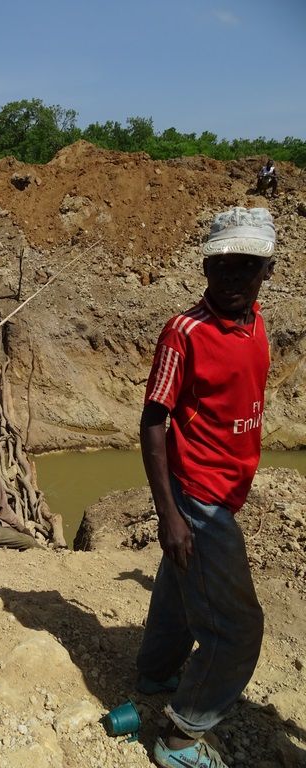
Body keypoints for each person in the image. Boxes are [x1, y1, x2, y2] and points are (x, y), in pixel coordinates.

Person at [136, 207, 276, 768]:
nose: (236, 277)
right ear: (206, 266)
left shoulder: (258, 323)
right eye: (225, 265)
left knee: (178, 581)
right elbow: (153, 421)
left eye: (249, 266)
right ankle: (182, 737)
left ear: (267, 270)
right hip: (198, 495)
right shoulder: (184, 332)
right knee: (239, 628)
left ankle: (155, 672)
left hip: (226, 490)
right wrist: (169, 514)